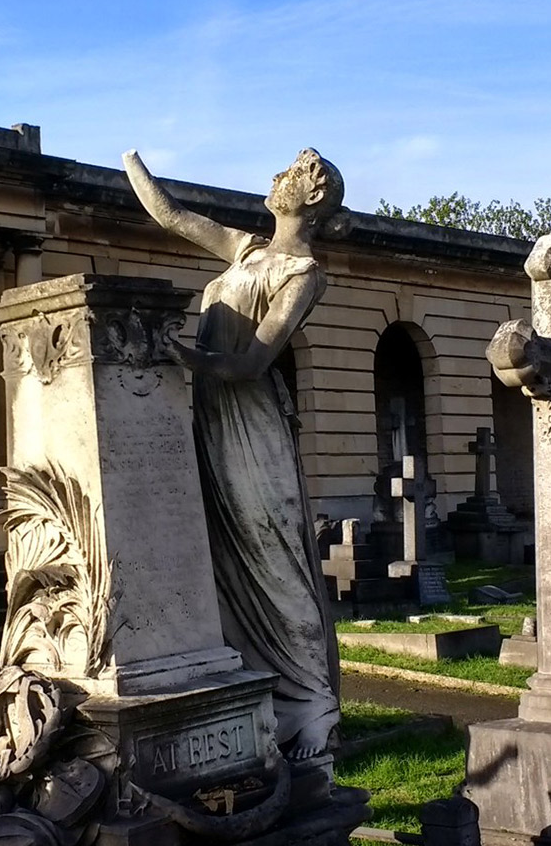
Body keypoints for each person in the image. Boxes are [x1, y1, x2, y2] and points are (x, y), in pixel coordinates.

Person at [122, 147, 345, 759]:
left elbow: (251, 361)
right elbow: (171, 216)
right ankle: (263, 692)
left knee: (273, 554)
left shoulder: (302, 273)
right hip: (212, 419)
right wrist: (131, 160)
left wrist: (181, 355)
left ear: (313, 196)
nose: (274, 179)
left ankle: (315, 704)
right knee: (227, 556)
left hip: (253, 424)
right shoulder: (248, 250)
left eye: (289, 174)